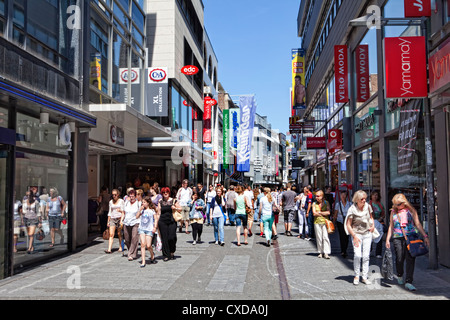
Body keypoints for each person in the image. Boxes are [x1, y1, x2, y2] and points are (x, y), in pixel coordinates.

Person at [385, 193, 429, 291]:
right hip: (397, 237)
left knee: (410, 258)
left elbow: (417, 224)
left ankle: (409, 281)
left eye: (399, 204)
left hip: (411, 236)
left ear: (404, 202)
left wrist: (425, 236)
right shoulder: (393, 212)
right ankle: (400, 274)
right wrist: (388, 239)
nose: (397, 206)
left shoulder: (411, 211)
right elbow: (391, 226)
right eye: (395, 204)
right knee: (400, 258)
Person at [344, 190, 375, 285]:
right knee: (357, 255)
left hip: (367, 234)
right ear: (357, 200)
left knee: (366, 256)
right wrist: (354, 236)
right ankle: (356, 275)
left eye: (365, 198)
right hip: (356, 234)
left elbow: (371, 217)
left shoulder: (368, 207)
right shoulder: (352, 209)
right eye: (362, 199)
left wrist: (373, 225)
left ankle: (364, 276)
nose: (364, 200)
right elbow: (348, 224)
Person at [136, 196, 159, 267]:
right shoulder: (142, 210)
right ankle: (143, 261)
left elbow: (155, 219)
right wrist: (139, 210)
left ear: (148, 203)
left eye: (144, 202)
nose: (143, 204)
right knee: (143, 244)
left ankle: (152, 254)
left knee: (148, 245)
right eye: (142, 202)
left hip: (149, 229)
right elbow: (136, 216)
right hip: (142, 228)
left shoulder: (152, 211)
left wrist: (155, 227)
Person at [158, 187, 178, 261]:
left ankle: (172, 251)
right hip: (162, 221)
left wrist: (175, 208)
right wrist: (156, 223)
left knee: (171, 237)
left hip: (172, 221)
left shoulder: (173, 200)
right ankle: (166, 255)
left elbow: (180, 209)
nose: (165, 194)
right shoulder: (160, 201)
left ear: (169, 193)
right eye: (163, 192)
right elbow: (158, 212)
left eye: (166, 192)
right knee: (164, 238)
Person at [123, 189, 141, 260]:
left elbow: (140, 213)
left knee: (134, 238)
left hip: (135, 222)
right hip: (126, 222)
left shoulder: (138, 203)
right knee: (127, 239)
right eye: (130, 196)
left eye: (133, 196)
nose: (131, 197)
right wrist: (122, 220)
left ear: (135, 196)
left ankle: (131, 254)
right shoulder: (126, 203)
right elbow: (124, 212)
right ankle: (132, 251)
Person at [312, 190, 331, 259]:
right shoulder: (314, 204)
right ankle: (320, 252)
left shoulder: (326, 203)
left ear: (322, 196)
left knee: (325, 237)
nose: (316, 197)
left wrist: (319, 213)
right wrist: (323, 213)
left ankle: (326, 252)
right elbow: (314, 213)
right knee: (319, 237)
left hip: (325, 222)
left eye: (318, 196)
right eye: (316, 196)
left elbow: (328, 212)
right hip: (317, 222)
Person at [105, 189, 125, 254]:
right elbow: (110, 212)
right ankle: (109, 249)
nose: (114, 196)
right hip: (112, 219)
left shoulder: (121, 201)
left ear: (118, 195)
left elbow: (123, 211)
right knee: (111, 234)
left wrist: (122, 220)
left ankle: (120, 246)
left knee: (119, 234)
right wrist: (108, 221)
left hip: (119, 219)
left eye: (115, 195)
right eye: (112, 195)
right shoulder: (110, 202)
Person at [333, 190, 352, 258]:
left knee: (347, 236)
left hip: (347, 222)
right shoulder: (338, 204)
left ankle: (345, 249)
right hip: (340, 221)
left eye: (344, 195)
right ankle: (343, 250)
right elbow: (335, 214)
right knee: (342, 236)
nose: (343, 196)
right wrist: (334, 223)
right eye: (342, 195)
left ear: (346, 196)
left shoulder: (350, 204)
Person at [369, 190, 386, 258]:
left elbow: (383, 213)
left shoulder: (380, 204)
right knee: (370, 237)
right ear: (371, 196)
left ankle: (378, 253)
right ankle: (369, 251)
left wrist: (381, 218)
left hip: (379, 222)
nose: (375, 196)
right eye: (374, 195)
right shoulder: (369, 204)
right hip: (371, 223)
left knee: (379, 237)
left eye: (376, 195)